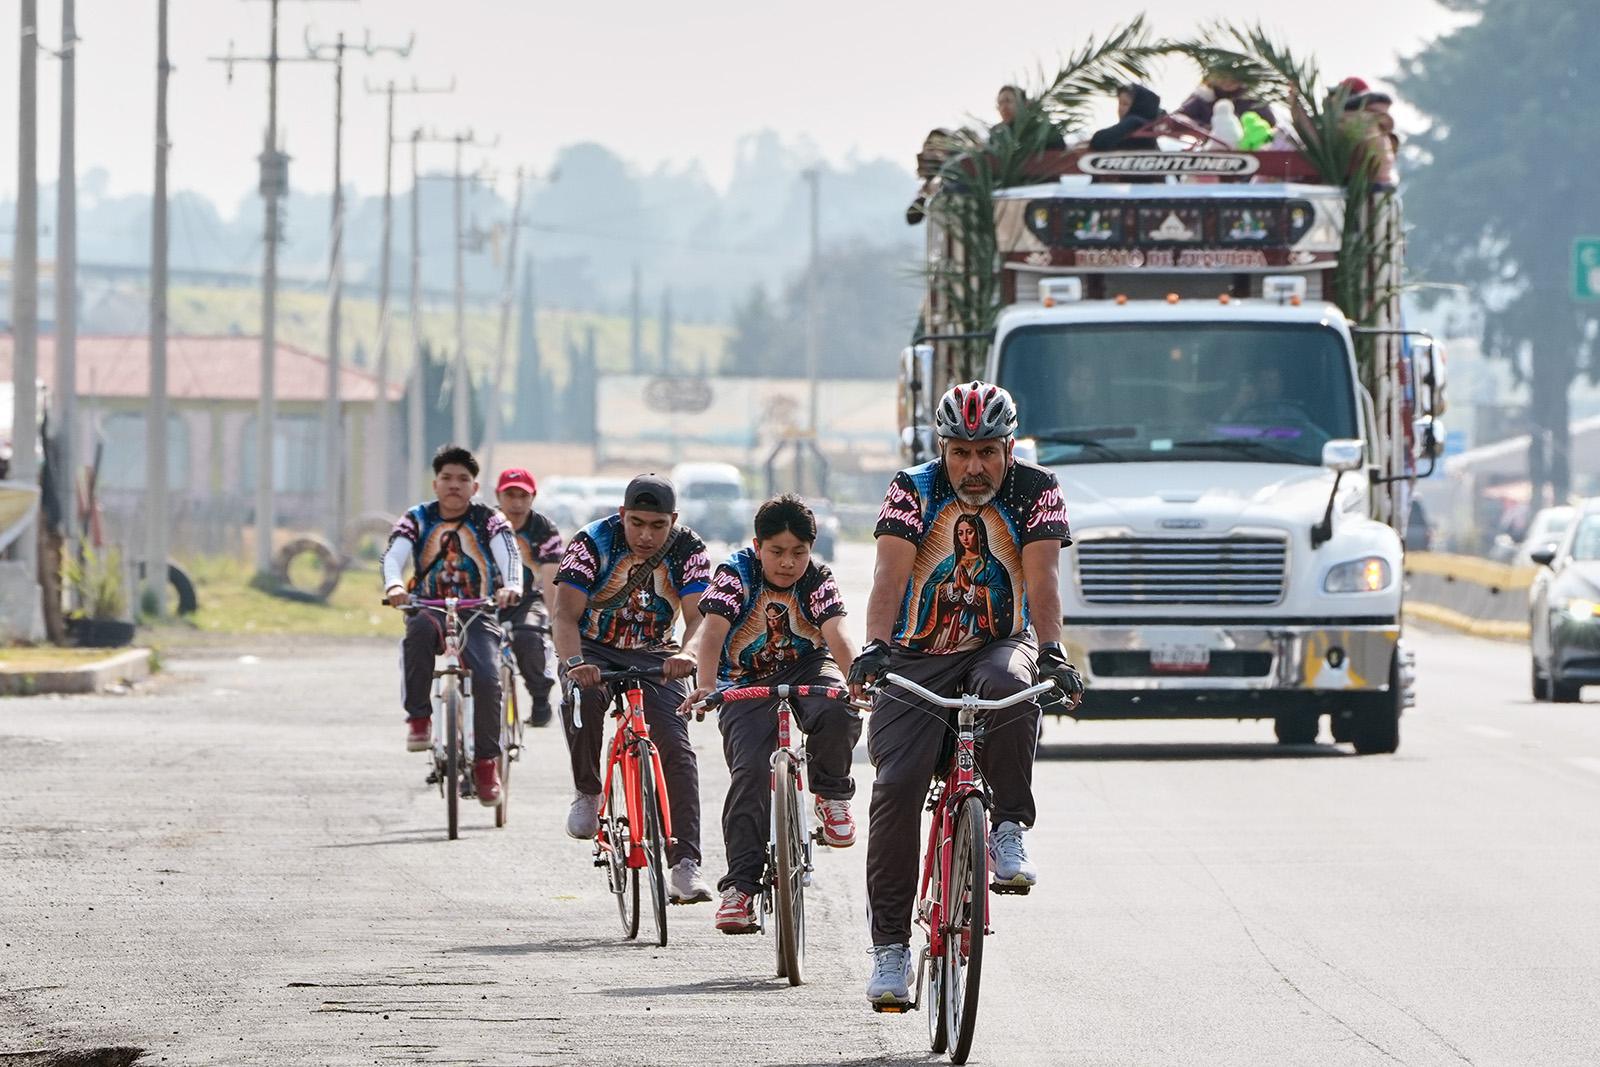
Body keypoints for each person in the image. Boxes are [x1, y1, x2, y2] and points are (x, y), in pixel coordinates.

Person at [848, 380, 1084, 1009]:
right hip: (916, 656)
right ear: (942, 448)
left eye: (987, 452)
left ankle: (1008, 825)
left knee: (1012, 686)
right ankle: (892, 950)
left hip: (995, 644)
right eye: (960, 452)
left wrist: (1054, 654)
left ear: (1010, 447)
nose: (973, 467)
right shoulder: (912, 489)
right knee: (896, 788)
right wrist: (874, 646)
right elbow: (890, 578)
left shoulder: (1037, 491)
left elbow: (1042, 581)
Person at [679, 494, 860, 934]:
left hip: (807, 664)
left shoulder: (818, 579)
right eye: (777, 552)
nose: (787, 563)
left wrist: (858, 681)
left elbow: (836, 633)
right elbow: (714, 632)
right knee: (750, 773)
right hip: (744, 676)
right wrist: (706, 685)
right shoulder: (734, 574)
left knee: (838, 707)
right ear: (758, 546)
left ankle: (831, 796)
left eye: (799, 552)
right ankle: (739, 889)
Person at [552, 473, 715, 904]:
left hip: (657, 653)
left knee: (676, 747)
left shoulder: (689, 549)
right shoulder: (591, 543)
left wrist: (689, 654)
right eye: (637, 523)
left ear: (673, 521)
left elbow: (700, 618)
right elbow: (564, 617)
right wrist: (574, 664)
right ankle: (588, 791)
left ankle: (685, 863)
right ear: (622, 515)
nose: (646, 535)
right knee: (583, 699)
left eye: (657, 526)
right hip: (592, 648)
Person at [383, 444, 522, 806]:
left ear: (475, 487)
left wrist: (511, 586)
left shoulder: (490, 520)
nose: (454, 485)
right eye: (447, 478)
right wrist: (395, 585)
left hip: (478, 611)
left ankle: (486, 764)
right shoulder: (416, 517)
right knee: (414, 635)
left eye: (463, 479)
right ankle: (419, 719)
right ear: (435, 484)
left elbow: (509, 555)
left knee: (490, 678)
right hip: (427, 607)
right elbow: (394, 554)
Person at [494, 468, 563, 727]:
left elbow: (550, 578)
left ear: (533, 497)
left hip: (527, 600)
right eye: (510, 495)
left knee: (529, 637)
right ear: (498, 496)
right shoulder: (483, 523)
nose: (516, 502)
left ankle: (539, 695)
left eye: (523, 495)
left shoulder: (544, 529)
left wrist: (557, 622)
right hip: (487, 599)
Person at [1176, 71, 1277, 131]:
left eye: (1234, 75)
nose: (1228, 79)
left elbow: (1270, 125)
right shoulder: (1201, 98)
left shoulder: (1253, 100)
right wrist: (1207, 128)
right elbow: (1178, 118)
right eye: (1222, 75)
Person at [1088, 83, 1164, 152]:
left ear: (1138, 106)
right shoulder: (1148, 127)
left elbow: (1099, 142)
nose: (1120, 109)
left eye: (1125, 104)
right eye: (1120, 103)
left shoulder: (1134, 121)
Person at [992, 84, 1066, 150]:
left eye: (1008, 101)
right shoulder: (996, 137)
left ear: (1025, 104)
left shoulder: (1047, 132)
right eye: (1000, 103)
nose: (1003, 107)